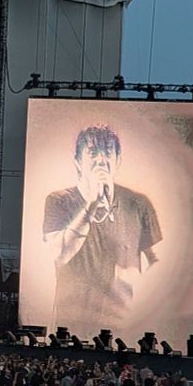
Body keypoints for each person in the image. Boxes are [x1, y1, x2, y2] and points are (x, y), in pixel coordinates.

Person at [42, 124, 161, 330]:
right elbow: (59, 254)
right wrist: (92, 204)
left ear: (118, 160)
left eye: (107, 153)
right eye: (92, 153)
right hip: (72, 319)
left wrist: (140, 290)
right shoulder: (59, 200)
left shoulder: (138, 203)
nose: (100, 160)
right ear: (78, 162)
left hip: (122, 320)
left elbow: (157, 261)